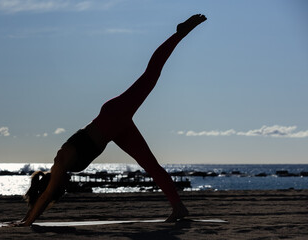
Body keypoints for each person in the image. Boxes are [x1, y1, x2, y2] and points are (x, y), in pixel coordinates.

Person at [15, 14, 207, 226]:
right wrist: (26, 218)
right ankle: (179, 207)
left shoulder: (59, 164)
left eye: (58, 190)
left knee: (150, 76)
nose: (64, 188)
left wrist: (26, 222)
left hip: (113, 116)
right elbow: (43, 198)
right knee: (151, 165)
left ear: (51, 185)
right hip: (117, 129)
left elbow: (44, 198)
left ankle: (179, 34)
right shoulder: (61, 168)